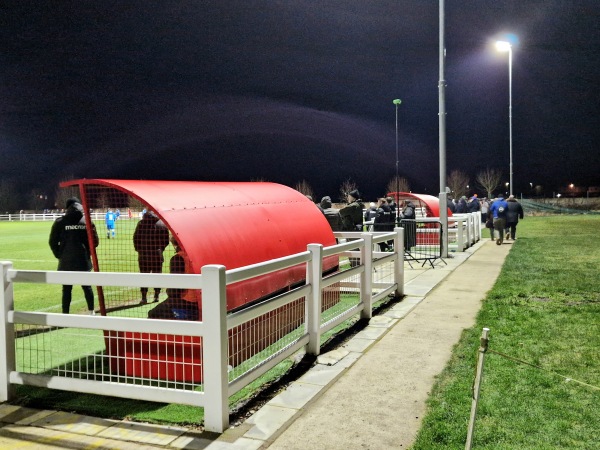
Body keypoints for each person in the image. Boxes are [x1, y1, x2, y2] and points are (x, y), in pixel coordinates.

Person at [49, 197, 99, 315]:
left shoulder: (60, 222)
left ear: (67, 207)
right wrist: (87, 253)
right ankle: (91, 312)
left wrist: (59, 255)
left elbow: (52, 241)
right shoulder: (87, 221)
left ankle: (65, 314)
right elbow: (95, 242)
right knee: (87, 287)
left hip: (66, 261)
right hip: (83, 260)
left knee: (66, 289)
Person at [148, 237, 199, 320]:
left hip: (185, 302)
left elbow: (175, 290)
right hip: (199, 301)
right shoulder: (196, 256)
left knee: (152, 313)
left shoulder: (178, 258)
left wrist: (169, 292)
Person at [133, 210, 170, 304]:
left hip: (144, 255)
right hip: (157, 255)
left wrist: (139, 250)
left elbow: (135, 238)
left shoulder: (141, 223)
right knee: (157, 275)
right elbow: (166, 240)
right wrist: (160, 249)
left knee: (144, 276)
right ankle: (157, 296)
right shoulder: (162, 224)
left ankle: (144, 297)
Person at [339, 190, 364, 267]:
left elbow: (341, 212)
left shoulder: (353, 206)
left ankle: (355, 266)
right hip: (356, 229)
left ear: (353, 197)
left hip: (351, 230)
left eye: (349, 196)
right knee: (356, 248)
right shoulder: (359, 205)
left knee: (353, 249)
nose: (348, 198)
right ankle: (357, 265)